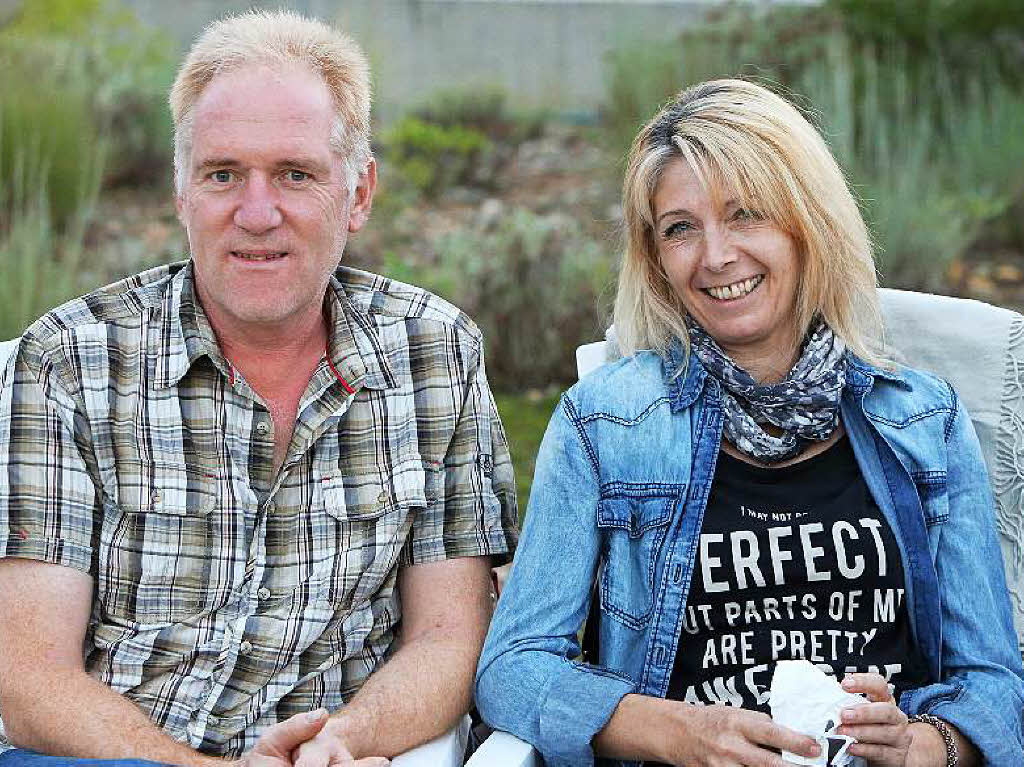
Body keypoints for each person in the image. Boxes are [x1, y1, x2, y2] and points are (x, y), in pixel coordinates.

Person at [0, 9, 517, 767]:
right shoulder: (68, 362)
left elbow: (449, 638)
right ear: (182, 191)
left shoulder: (432, 354)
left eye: (295, 175)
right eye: (222, 174)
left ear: (359, 192)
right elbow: (29, 678)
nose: (256, 213)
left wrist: (343, 741)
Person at [475, 79, 1024, 767]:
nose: (716, 256)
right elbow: (514, 666)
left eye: (746, 215)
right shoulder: (606, 423)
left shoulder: (923, 419)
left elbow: (994, 683)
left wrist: (917, 745)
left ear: (807, 222)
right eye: (681, 228)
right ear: (656, 258)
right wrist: (676, 730)